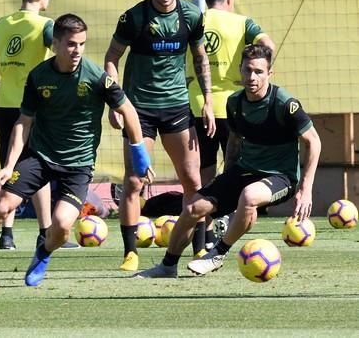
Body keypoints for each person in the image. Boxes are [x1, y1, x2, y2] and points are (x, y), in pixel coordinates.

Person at [0, 13, 152, 290]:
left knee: (62, 225)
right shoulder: (38, 77)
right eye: (71, 44)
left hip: (78, 165)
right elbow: (22, 124)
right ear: (56, 45)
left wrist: (140, 157)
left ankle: (43, 253)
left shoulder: (98, 77)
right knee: (1, 207)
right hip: (39, 157)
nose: (77, 51)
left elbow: (129, 112)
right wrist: (8, 165)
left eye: (82, 44)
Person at [135, 44, 320, 278]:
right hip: (244, 171)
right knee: (193, 207)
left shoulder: (284, 104)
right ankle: (167, 266)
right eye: (247, 70)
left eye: (259, 72)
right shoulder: (235, 103)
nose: (252, 77)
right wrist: (227, 179)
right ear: (240, 70)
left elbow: (314, 141)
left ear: (269, 74)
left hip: (281, 177)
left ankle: (217, 253)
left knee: (250, 196)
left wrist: (306, 188)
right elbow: (234, 140)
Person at [104, 0, 214, 272]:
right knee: (135, 181)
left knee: (193, 181)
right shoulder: (134, 18)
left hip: (178, 107)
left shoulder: (192, 15)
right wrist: (115, 103)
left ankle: (199, 248)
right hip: (139, 110)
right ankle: (130, 253)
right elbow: (111, 58)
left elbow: (200, 57)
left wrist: (206, 101)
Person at [0, 0, 76, 250]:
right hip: (32, 108)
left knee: (11, 167)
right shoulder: (44, 25)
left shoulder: (3, 24)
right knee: (35, 169)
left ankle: (7, 235)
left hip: (5, 105)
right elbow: (63, 54)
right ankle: (45, 232)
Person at [187, 0, 276, 246]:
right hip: (235, 108)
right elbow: (268, 46)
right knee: (238, 175)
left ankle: (203, 240)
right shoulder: (242, 23)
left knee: (205, 177)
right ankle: (230, 231)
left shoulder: (194, 21)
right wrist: (260, 75)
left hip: (198, 106)